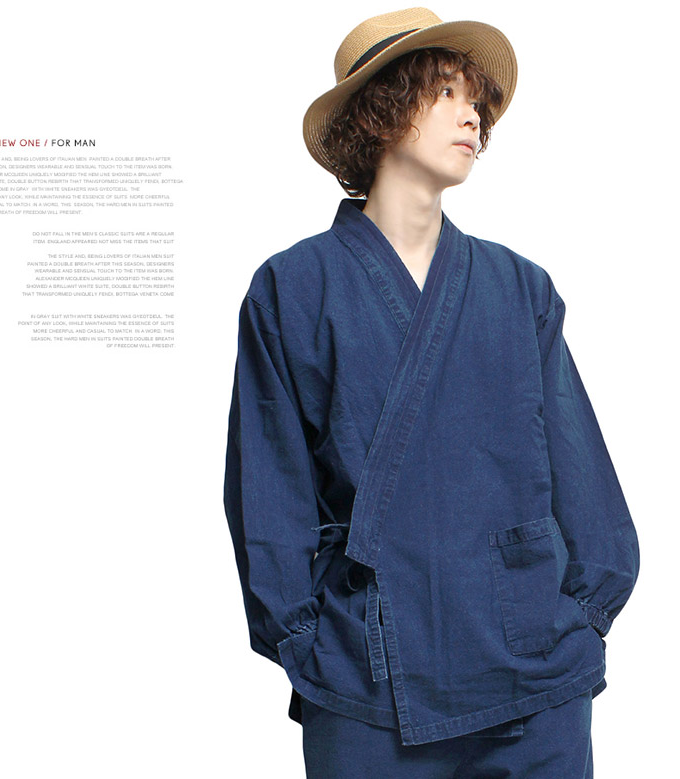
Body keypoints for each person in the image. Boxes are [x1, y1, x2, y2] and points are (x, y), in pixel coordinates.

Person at [223, 7, 640, 777]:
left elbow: (584, 477)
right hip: (370, 679)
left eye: (476, 99)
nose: (471, 115)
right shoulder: (292, 287)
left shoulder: (521, 287)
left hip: (535, 677)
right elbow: (268, 490)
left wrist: (582, 615)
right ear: (379, 111)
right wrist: (307, 643)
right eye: (446, 91)